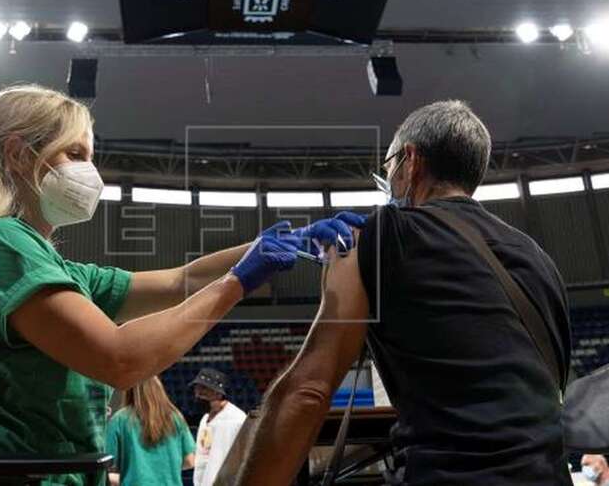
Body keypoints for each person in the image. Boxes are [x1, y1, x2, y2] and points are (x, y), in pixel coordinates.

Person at [0, 84, 346, 485]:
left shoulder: (59, 269)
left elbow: (180, 280)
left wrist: (286, 241)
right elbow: (119, 359)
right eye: (75, 154)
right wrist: (238, 282)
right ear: (20, 154)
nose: (91, 171)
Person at [230, 100, 572, 485]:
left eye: (388, 168)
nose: (388, 182)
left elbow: (307, 392)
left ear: (410, 161)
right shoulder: (540, 259)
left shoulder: (381, 235)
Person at [105, 377, 195, 486]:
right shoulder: (176, 417)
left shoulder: (119, 419)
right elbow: (190, 461)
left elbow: (107, 463)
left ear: (129, 391)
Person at [190, 368, 246, 486]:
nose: (198, 394)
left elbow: (227, 462)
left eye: (203, 389)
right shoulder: (205, 418)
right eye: (197, 389)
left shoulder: (234, 420)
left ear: (218, 393)